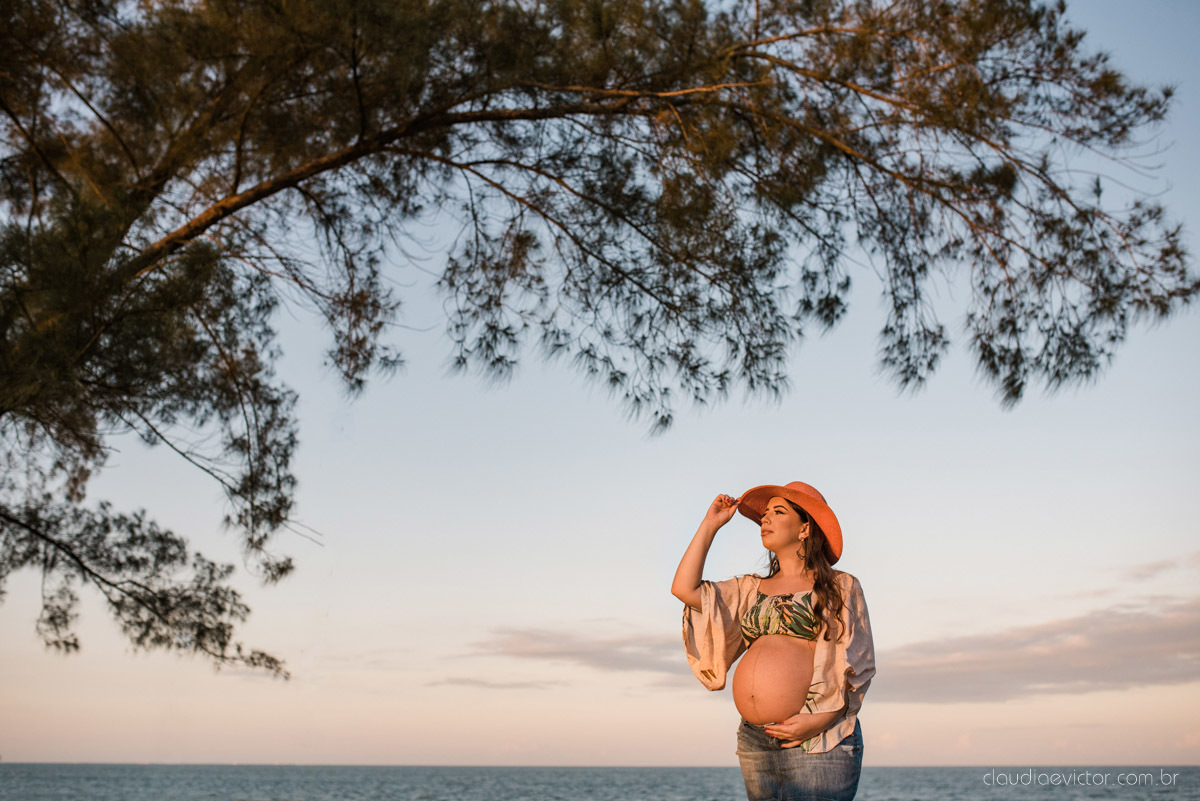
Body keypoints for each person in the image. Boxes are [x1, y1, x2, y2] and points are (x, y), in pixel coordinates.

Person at [671, 481, 875, 801]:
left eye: (777, 512)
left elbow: (858, 661)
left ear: (805, 528)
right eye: (764, 513)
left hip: (817, 739)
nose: (765, 519)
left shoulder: (840, 586)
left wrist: (818, 720)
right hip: (756, 740)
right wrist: (710, 525)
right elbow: (684, 589)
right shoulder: (750, 589)